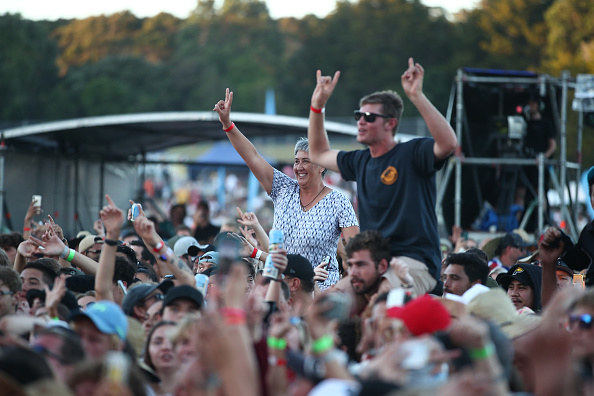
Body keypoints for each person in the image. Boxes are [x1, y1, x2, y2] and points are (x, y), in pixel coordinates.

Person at [306, 58, 457, 294]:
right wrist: (317, 107)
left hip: (414, 262)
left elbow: (448, 143)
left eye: (369, 117)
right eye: (359, 115)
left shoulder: (412, 152)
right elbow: (318, 153)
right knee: (327, 305)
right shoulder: (360, 160)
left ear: (391, 123)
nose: (361, 121)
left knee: (384, 299)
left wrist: (417, 96)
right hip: (372, 263)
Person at [213, 88, 359, 289]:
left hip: (321, 289)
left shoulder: (339, 201)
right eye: (296, 161)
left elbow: (355, 250)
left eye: (306, 161)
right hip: (280, 285)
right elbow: (253, 157)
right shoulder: (283, 188)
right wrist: (227, 125)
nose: (298, 167)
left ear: (322, 165)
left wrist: (346, 287)